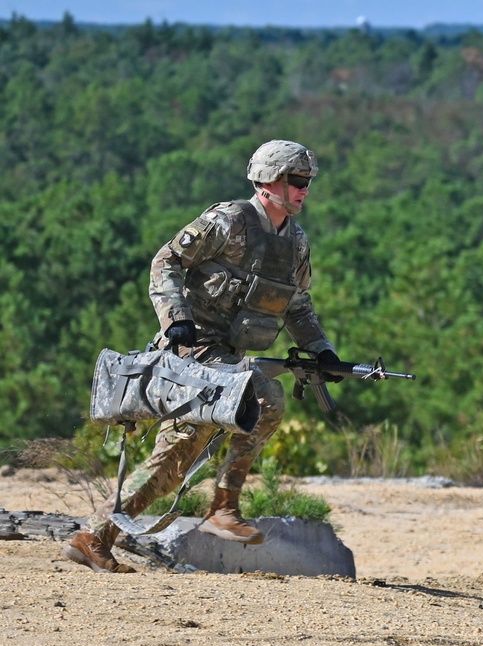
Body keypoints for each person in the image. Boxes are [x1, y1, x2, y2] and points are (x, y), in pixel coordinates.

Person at [65, 139, 339, 573]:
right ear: (269, 182)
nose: (306, 189)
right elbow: (166, 260)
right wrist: (174, 317)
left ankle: (93, 537)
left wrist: (322, 351)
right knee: (266, 398)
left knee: (175, 460)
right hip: (193, 352)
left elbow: (298, 306)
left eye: (308, 181)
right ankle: (224, 509)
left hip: (229, 356)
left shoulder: (296, 243)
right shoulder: (229, 222)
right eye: (299, 180)